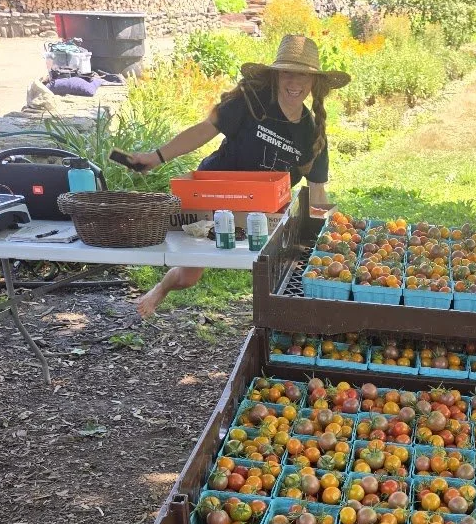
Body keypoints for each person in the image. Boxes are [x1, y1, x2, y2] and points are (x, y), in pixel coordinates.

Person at [125, 35, 349, 317]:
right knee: (188, 276)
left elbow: (317, 191)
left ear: (314, 82)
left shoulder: (312, 134)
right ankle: (162, 288)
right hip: (215, 195)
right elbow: (205, 129)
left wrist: (330, 232)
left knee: (277, 272)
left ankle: (270, 324)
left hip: (260, 211)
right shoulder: (251, 102)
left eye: (303, 75)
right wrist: (156, 157)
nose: (295, 83)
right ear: (277, 75)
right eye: (288, 73)